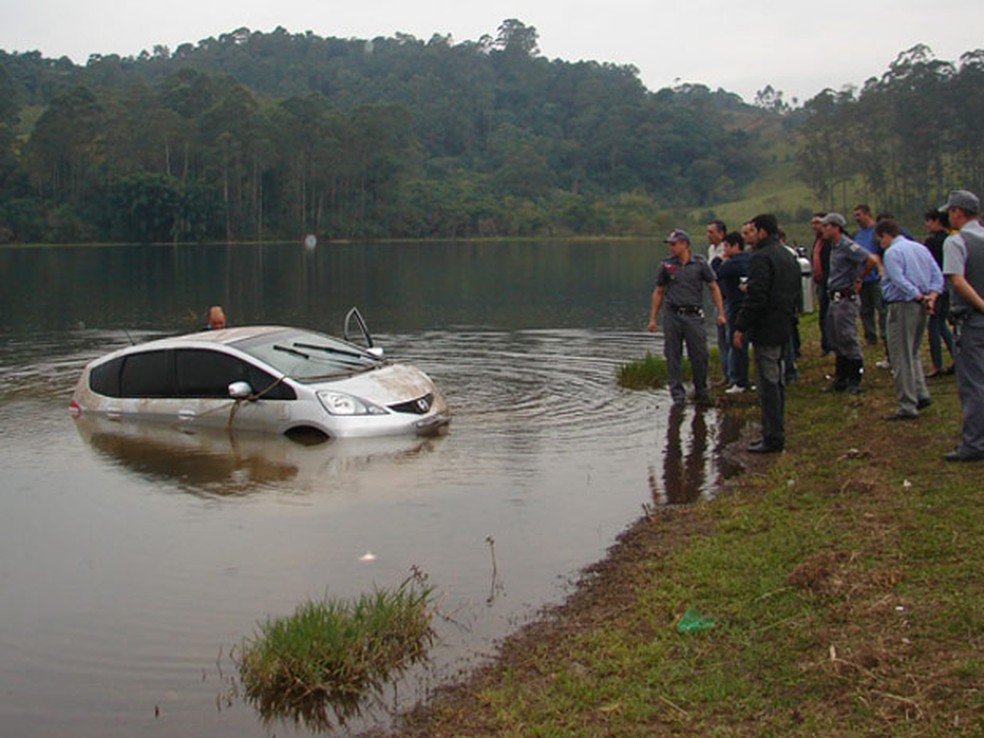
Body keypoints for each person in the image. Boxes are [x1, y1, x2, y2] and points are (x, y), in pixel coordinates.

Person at [732, 214, 801, 453]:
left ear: (762, 232)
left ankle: (773, 437)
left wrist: (740, 326)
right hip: (784, 324)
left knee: (768, 383)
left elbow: (757, 296)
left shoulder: (761, 257)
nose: (747, 237)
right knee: (778, 380)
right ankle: (775, 432)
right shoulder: (787, 254)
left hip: (766, 327)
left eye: (752, 230)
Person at [648, 229, 726, 406]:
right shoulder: (666, 265)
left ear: (684, 244)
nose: (671, 248)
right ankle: (677, 395)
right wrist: (653, 318)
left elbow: (713, 287)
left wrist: (720, 312)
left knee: (699, 354)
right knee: (672, 354)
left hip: (693, 315)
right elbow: (659, 291)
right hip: (672, 315)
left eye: (674, 244)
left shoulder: (700, 264)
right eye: (670, 244)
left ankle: (701, 390)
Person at [875, 218, 943, 421]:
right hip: (922, 303)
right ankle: (921, 393)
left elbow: (898, 279)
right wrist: (932, 295)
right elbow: (936, 274)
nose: (880, 244)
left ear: (886, 235)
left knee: (900, 355)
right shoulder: (919, 248)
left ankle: (907, 404)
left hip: (903, 305)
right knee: (912, 352)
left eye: (880, 240)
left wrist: (917, 295)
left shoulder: (892, 253)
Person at [940, 189, 984, 462]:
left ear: (958, 212)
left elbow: (957, 280)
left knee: (973, 384)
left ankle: (974, 443)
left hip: (973, 321)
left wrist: (980, 305)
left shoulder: (956, 243)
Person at [820, 213, 881, 394]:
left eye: (826, 226)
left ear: (836, 227)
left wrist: (860, 278)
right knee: (837, 338)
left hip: (846, 298)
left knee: (848, 338)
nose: (823, 230)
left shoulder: (847, 245)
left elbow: (870, 259)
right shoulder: (833, 247)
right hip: (834, 297)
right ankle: (841, 377)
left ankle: (855, 378)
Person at [715, 231, 751, 392]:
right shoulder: (749, 260)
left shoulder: (732, 263)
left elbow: (712, 273)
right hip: (746, 306)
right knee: (742, 343)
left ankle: (738, 380)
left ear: (736, 246)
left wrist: (718, 259)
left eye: (727, 246)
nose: (724, 250)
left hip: (735, 306)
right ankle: (740, 379)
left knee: (735, 343)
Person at [923, 208, 956, 377]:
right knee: (942, 324)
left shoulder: (932, 242)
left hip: (936, 286)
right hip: (949, 285)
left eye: (929, 221)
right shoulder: (951, 239)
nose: (927, 224)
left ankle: (937, 364)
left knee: (934, 325)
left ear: (936, 221)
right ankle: (956, 357)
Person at [852, 204, 884, 347]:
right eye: (855, 216)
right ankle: (870, 336)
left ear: (867, 214)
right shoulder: (857, 235)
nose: (856, 218)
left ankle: (885, 334)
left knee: (881, 308)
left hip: (876, 277)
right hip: (862, 278)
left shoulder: (877, 232)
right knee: (865, 310)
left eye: (859, 215)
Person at [706, 220, 731, 386]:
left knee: (729, 339)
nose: (708, 235)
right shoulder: (711, 250)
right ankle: (726, 375)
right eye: (707, 232)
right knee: (721, 341)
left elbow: (715, 271)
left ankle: (734, 377)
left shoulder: (727, 250)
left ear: (721, 234)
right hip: (718, 300)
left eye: (711, 232)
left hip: (728, 298)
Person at [810, 212, 832, 355]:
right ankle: (826, 344)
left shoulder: (830, 242)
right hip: (820, 283)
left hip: (830, 283)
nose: (814, 226)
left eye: (817, 223)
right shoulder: (817, 241)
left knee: (831, 316)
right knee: (823, 315)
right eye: (812, 224)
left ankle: (832, 345)